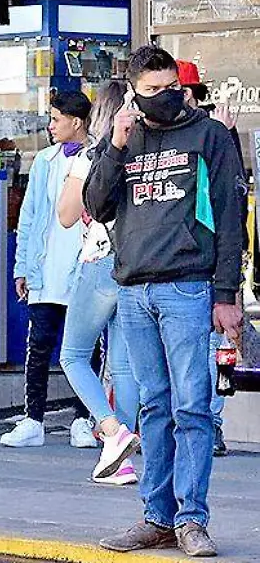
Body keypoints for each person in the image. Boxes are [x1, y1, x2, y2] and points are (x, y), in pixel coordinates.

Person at [89, 46, 244, 558]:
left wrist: (226, 294)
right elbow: (95, 204)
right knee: (154, 407)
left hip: (188, 285)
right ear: (132, 90)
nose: (163, 96)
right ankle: (156, 516)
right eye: (151, 89)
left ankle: (191, 518)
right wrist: (114, 145)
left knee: (192, 407)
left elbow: (229, 217)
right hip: (134, 289)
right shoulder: (125, 137)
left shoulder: (210, 137)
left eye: (170, 86)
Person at [55, 82, 141, 486]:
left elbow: (67, 215)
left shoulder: (91, 156)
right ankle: (119, 460)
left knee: (73, 355)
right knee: (123, 366)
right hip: (134, 263)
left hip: (98, 261)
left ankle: (111, 429)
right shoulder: (143, 155)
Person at [1, 91, 95, 450]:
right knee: (38, 346)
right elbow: (29, 216)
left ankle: (82, 418)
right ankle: (32, 419)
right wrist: (22, 266)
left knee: (85, 350)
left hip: (85, 269)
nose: (51, 125)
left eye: (56, 119)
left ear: (77, 122)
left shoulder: (99, 155)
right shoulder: (43, 160)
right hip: (45, 269)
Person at [179, 60, 243, 459]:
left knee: (210, 348)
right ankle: (203, 423)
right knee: (200, 350)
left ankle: (210, 423)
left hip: (211, 258)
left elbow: (232, 206)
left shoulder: (214, 136)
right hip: (189, 260)